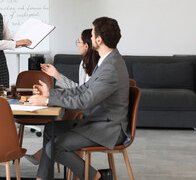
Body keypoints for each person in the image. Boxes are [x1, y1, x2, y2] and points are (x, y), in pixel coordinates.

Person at [29, 17, 130, 180]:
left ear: (99, 39)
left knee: (54, 147)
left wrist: (46, 102)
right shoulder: (107, 61)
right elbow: (83, 89)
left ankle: (96, 177)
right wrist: (50, 94)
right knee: (50, 129)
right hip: (99, 121)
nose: (89, 38)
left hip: (109, 129)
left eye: (91, 34)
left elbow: (85, 101)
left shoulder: (110, 67)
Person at [25, 29, 100, 166]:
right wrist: (56, 75)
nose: (77, 44)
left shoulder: (97, 67)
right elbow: (79, 89)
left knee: (69, 116)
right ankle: (45, 156)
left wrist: (51, 94)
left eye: (79, 42)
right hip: (86, 107)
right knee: (61, 120)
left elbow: (83, 94)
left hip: (92, 113)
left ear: (87, 46)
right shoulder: (84, 63)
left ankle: (45, 155)